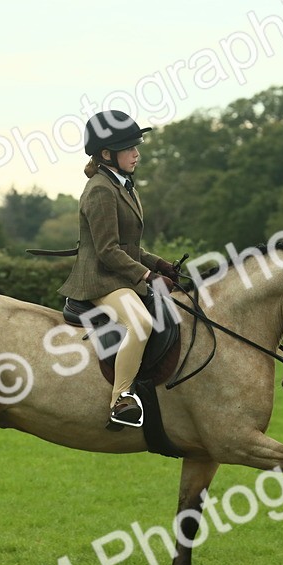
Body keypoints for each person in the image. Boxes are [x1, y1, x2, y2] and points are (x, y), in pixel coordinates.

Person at [57, 110, 178, 429]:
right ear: (107, 154)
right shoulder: (100, 189)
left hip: (119, 275)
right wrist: (148, 276)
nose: (137, 153)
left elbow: (129, 247)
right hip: (100, 280)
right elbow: (108, 251)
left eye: (136, 147)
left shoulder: (125, 186)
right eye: (129, 148)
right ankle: (121, 399)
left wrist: (160, 263)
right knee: (140, 323)